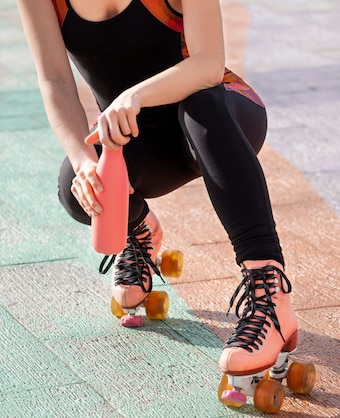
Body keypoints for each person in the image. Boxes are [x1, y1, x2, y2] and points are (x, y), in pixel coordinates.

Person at [16, 0, 297, 386]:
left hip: (219, 117)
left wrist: (135, 95)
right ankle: (139, 229)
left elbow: (207, 64)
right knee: (74, 188)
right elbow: (55, 82)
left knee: (202, 103)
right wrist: (84, 163)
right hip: (136, 138)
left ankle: (269, 292)